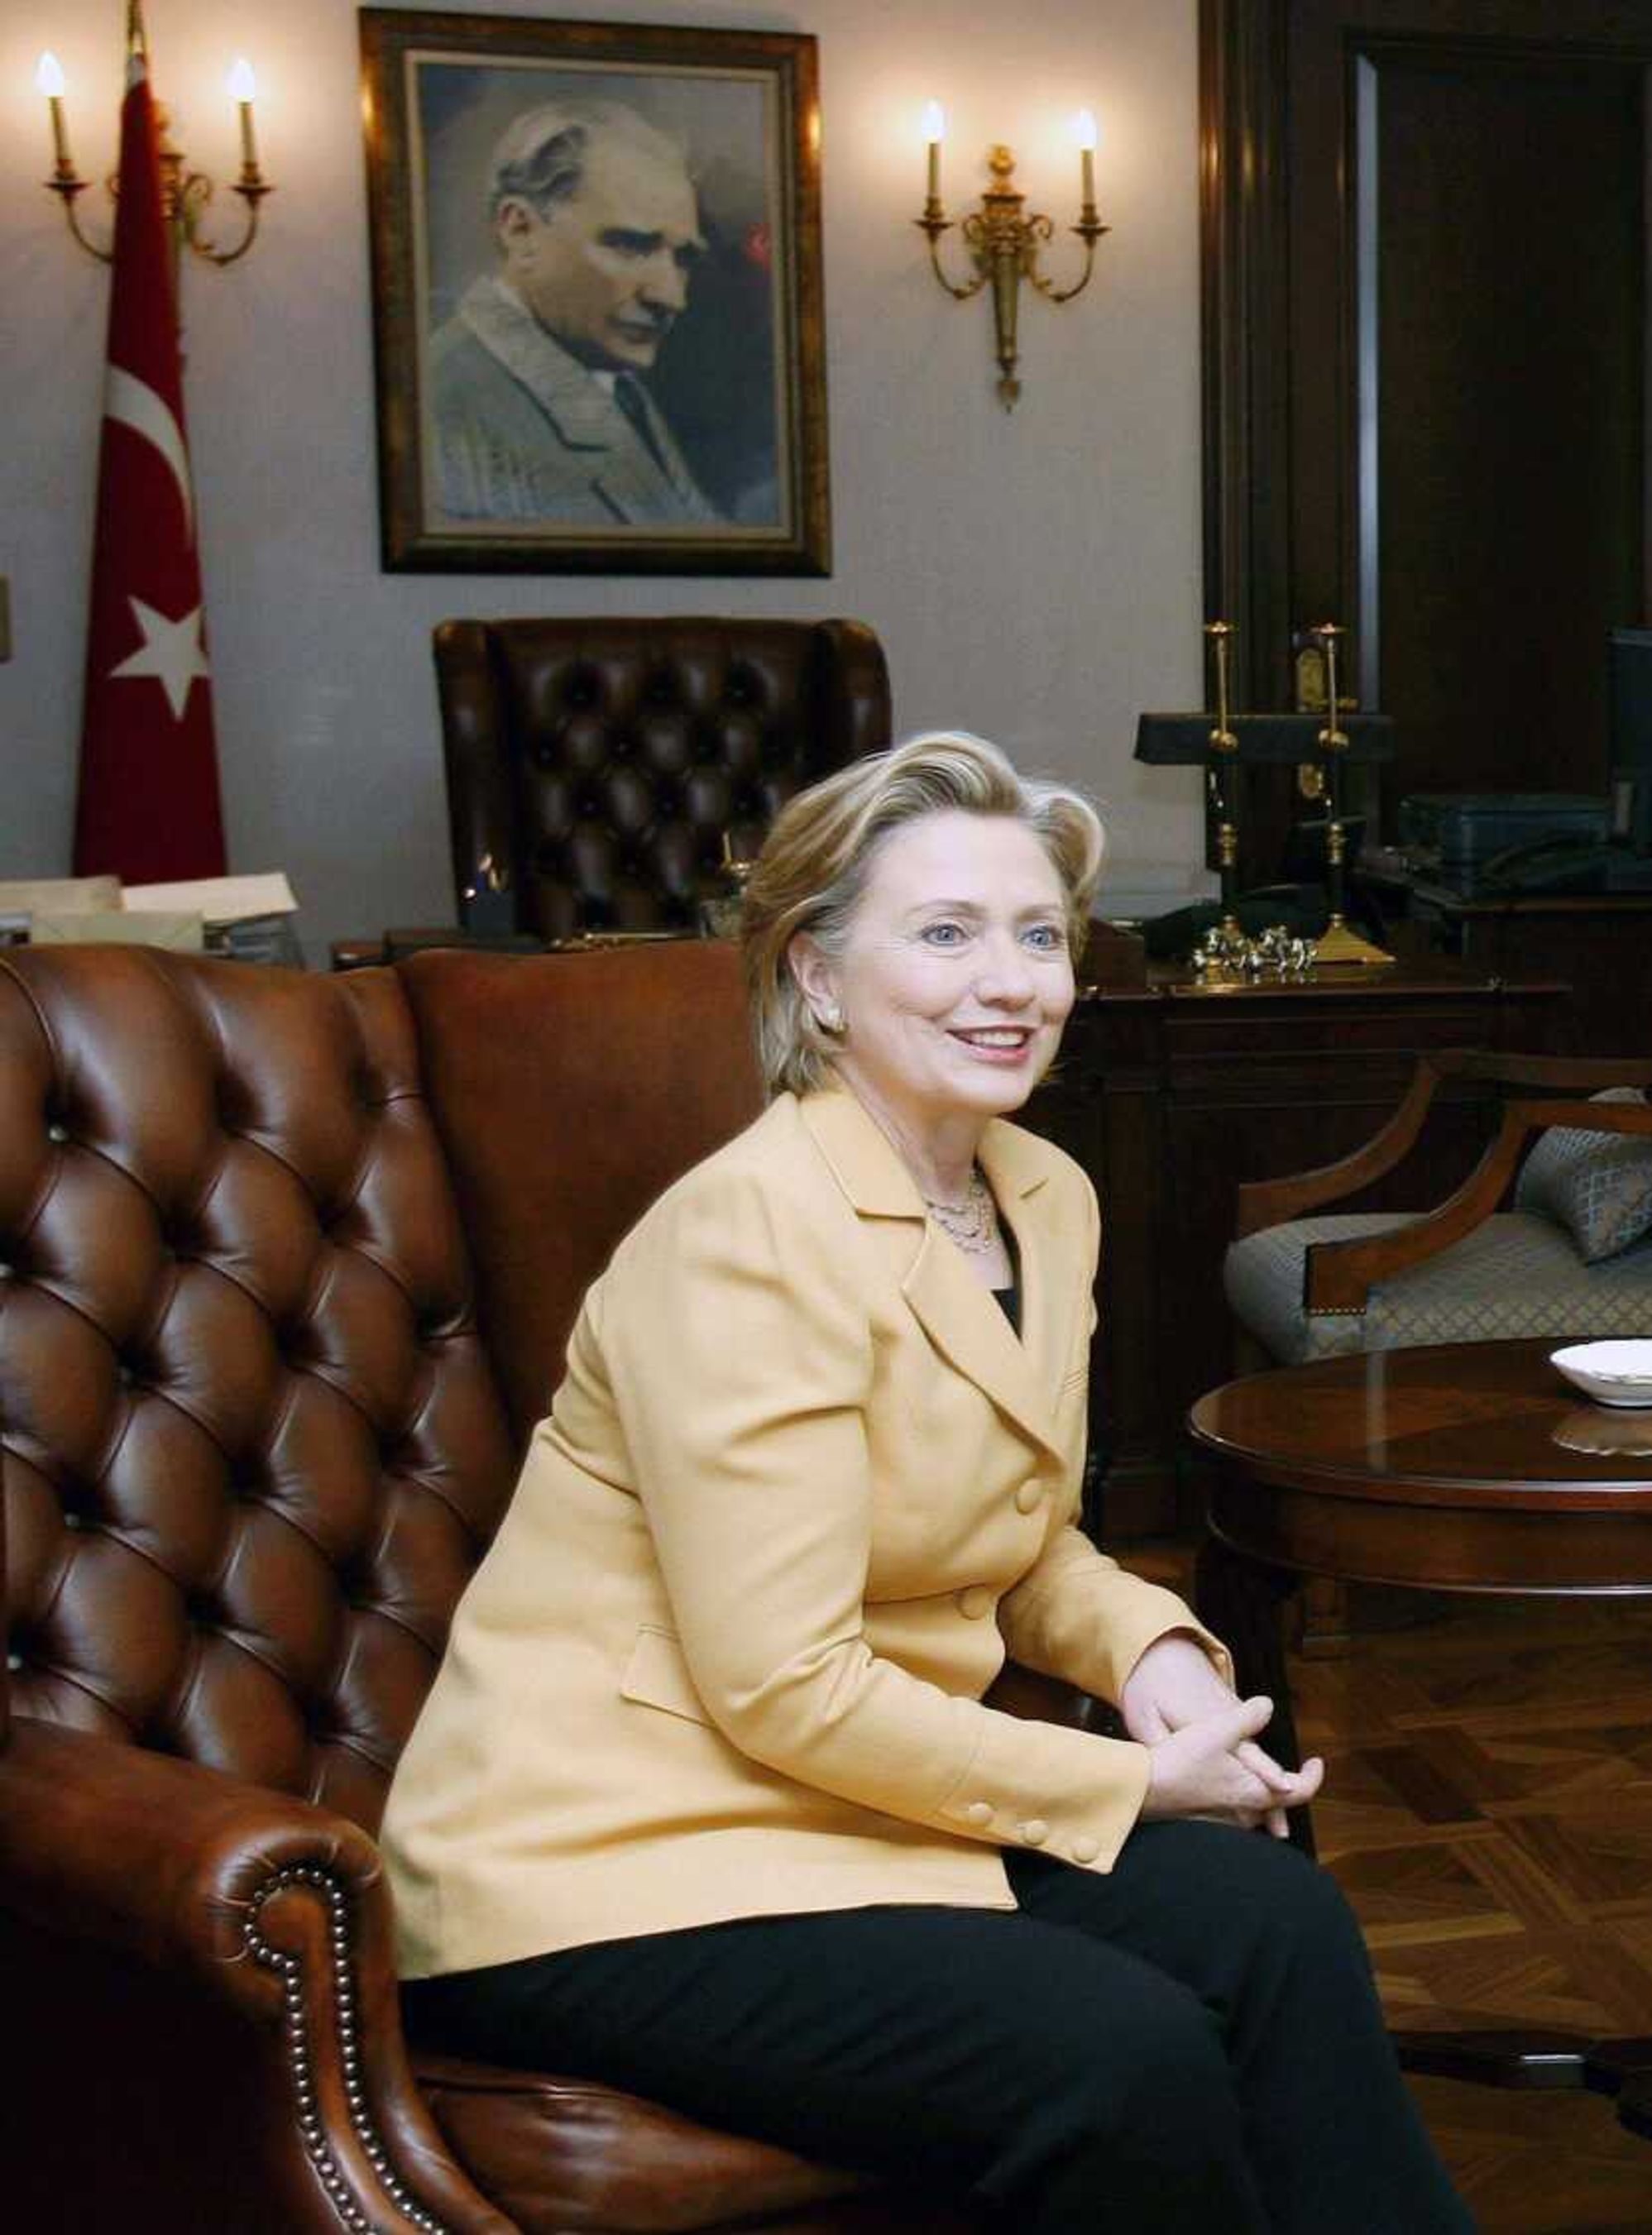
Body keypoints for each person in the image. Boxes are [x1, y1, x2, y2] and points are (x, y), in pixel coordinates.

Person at [379, 733, 1472, 2234]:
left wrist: (1145, 1651)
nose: (1010, 980)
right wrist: (1131, 1781)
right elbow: (781, 1685)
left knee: (1277, 1921)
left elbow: (1022, 1539)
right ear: (818, 980)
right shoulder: (753, 1231)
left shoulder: (1043, 1195)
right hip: (613, 1856)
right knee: (1120, 2054)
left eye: (1039, 936)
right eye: (946, 934)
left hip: (849, 1813)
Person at [424, 98, 721, 524]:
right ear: (519, 230)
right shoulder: (442, 410)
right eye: (631, 245)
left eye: (683, 259)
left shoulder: (615, 385)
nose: (672, 298)